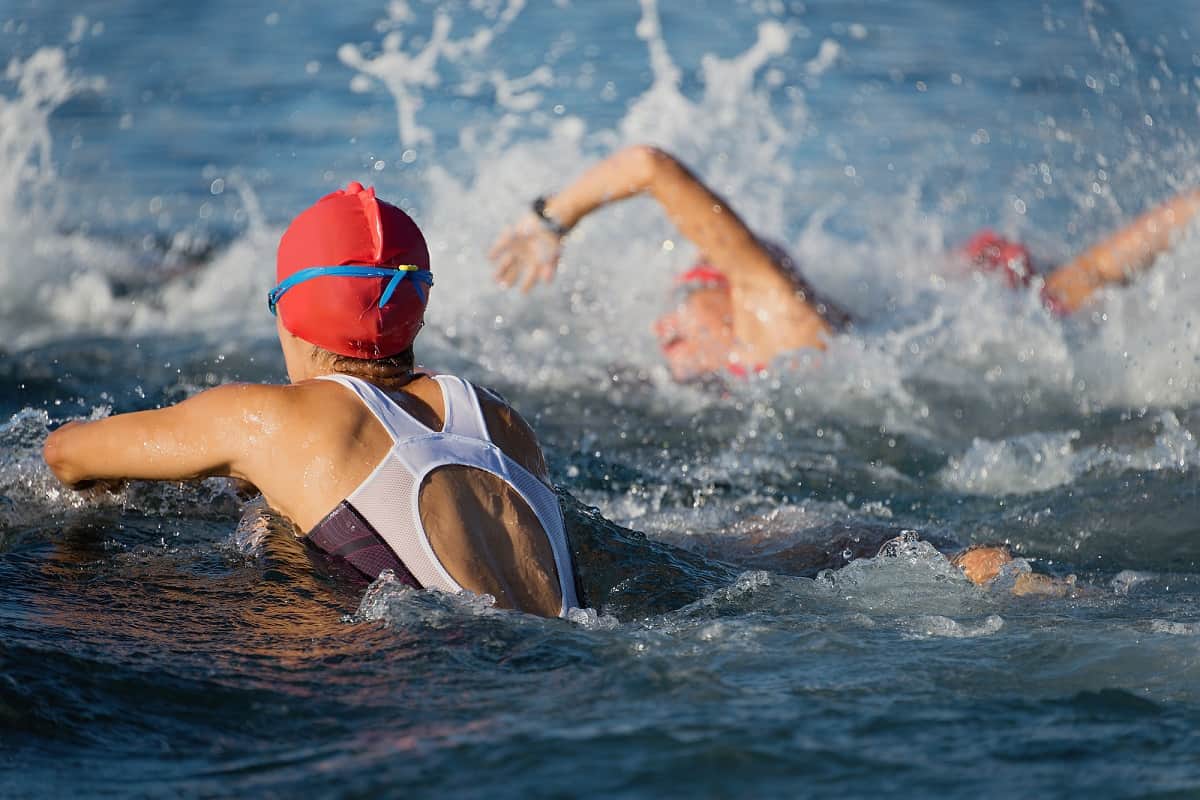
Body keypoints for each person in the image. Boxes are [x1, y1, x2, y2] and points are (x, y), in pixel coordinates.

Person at [43, 182, 580, 619]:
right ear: (420, 303)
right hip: (563, 667)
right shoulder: (499, 417)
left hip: (438, 688)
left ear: (289, 311)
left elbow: (65, 453)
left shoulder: (266, 420)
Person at [489, 145, 1200, 382]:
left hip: (978, 345)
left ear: (741, 298)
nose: (663, 326)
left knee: (1065, 292)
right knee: (1068, 288)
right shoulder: (791, 342)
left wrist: (552, 218)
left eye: (689, 296)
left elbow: (648, 164)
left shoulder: (779, 322)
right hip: (960, 327)